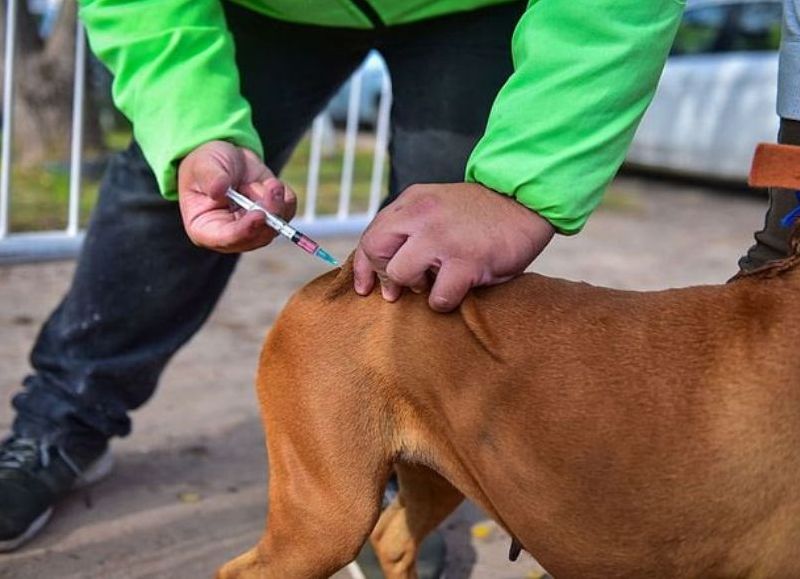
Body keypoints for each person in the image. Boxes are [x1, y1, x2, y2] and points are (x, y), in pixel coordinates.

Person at [0, 0, 690, 554]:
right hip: (269, 11)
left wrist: (517, 185)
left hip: (472, 10)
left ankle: (403, 476)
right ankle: (61, 419)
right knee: (180, 188)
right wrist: (190, 124)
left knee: (442, 264)